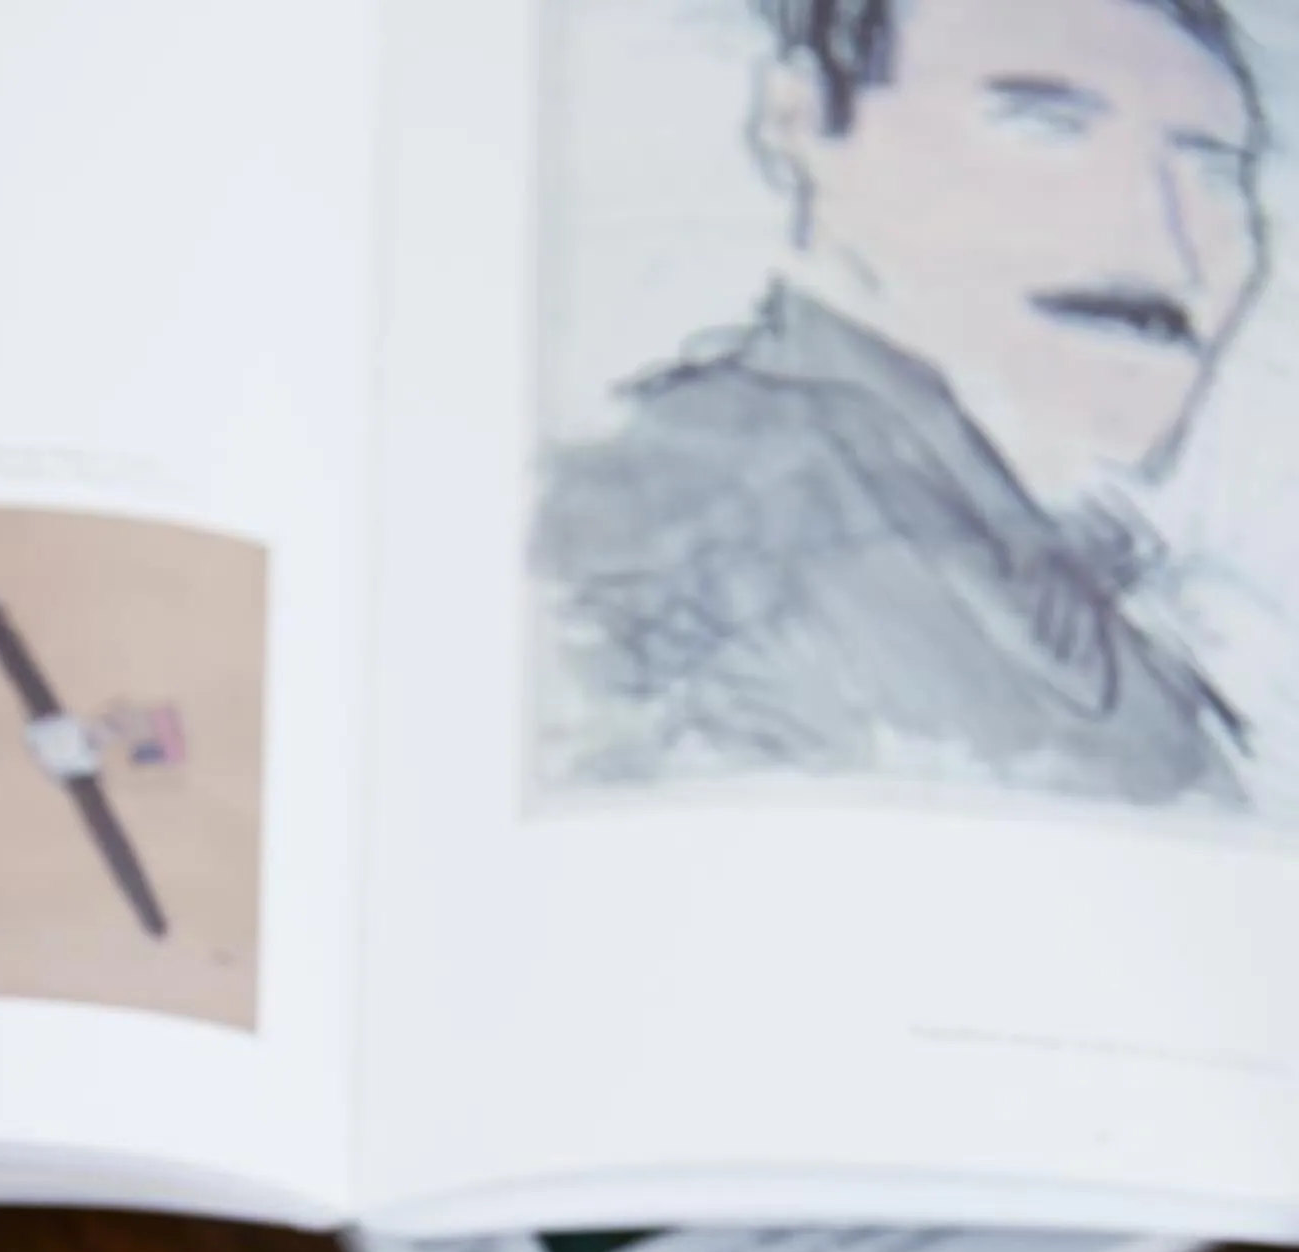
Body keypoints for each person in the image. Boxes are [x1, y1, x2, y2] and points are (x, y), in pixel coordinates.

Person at [536, 0, 1271, 806]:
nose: (1164, 241)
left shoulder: (1110, 617)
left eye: (1214, 169)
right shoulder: (664, 532)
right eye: (1045, 129)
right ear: (802, 120)